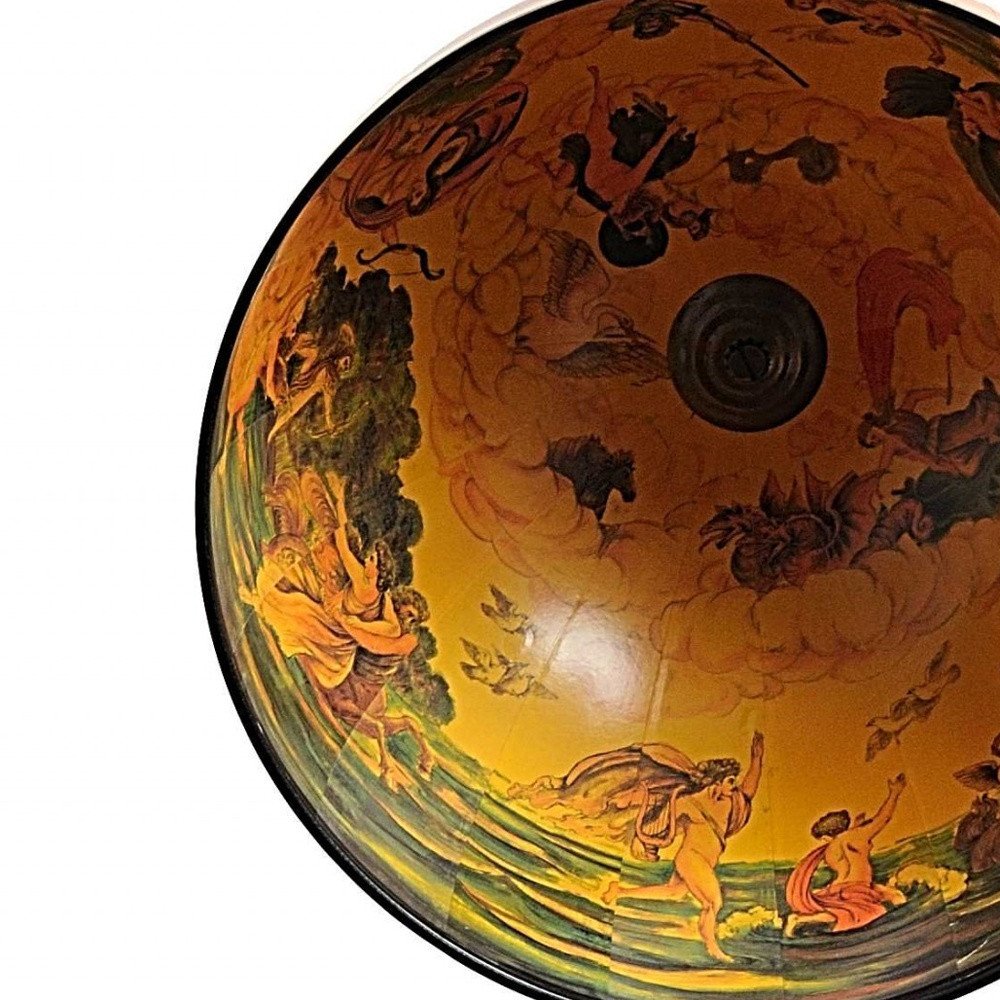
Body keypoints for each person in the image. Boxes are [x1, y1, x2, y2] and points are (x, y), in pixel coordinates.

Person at [601, 732, 765, 964]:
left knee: (673, 892)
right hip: (691, 858)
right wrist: (641, 840)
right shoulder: (688, 802)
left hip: (706, 861)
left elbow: (748, 791)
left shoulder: (731, 802)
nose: (734, 785)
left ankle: (619, 891)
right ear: (716, 782)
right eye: (730, 781)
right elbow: (660, 825)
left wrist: (757, 760)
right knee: (713, 902)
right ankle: (713, 948)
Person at [785, 775, 908, 937]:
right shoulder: (857, 836)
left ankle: (805, 918)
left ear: (827, 836)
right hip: (858, 888)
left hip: (837, 888)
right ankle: (802, 920)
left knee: (891, 896)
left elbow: (847, 853)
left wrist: (857, 827)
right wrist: (894, 793)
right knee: (856, 913)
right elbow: (883, 819)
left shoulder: (830, 848)